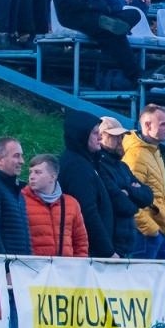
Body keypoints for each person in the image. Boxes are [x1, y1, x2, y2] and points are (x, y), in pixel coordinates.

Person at [122, 105, 165, 261]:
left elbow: (161, 193)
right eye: (163, 124)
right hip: (147, 236)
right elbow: (130, 197)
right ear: (147, 125)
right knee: (144, 276)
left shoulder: (153, 150)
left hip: (160, 231)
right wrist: (151, 229)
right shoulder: (136, 155)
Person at [95, 117, 155, 259]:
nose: (120, 140)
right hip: (110, 244)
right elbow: (121, 204)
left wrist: (128, 191)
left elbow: (148, 197)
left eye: (121, 136)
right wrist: (133, 194)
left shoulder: (122, 166)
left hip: (127, 242)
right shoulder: (99, 165)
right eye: (114, 136)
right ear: (101, 136)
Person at [56, 110, 115, 257]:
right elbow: (88, 212)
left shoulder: (86, 162)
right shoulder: (77, 167)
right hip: (87, 252)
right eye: (95, 133)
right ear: (81, 135)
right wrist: (107, 251)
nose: (100, 137)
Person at [22, 154, 89, 257]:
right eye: (30, 172)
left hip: (65, 265)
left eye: (38, 172)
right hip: (32, 265)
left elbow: (80, 241)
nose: (32, 176)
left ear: (52, 177)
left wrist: (78, 264)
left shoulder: (71, 204)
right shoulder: (21, 200)